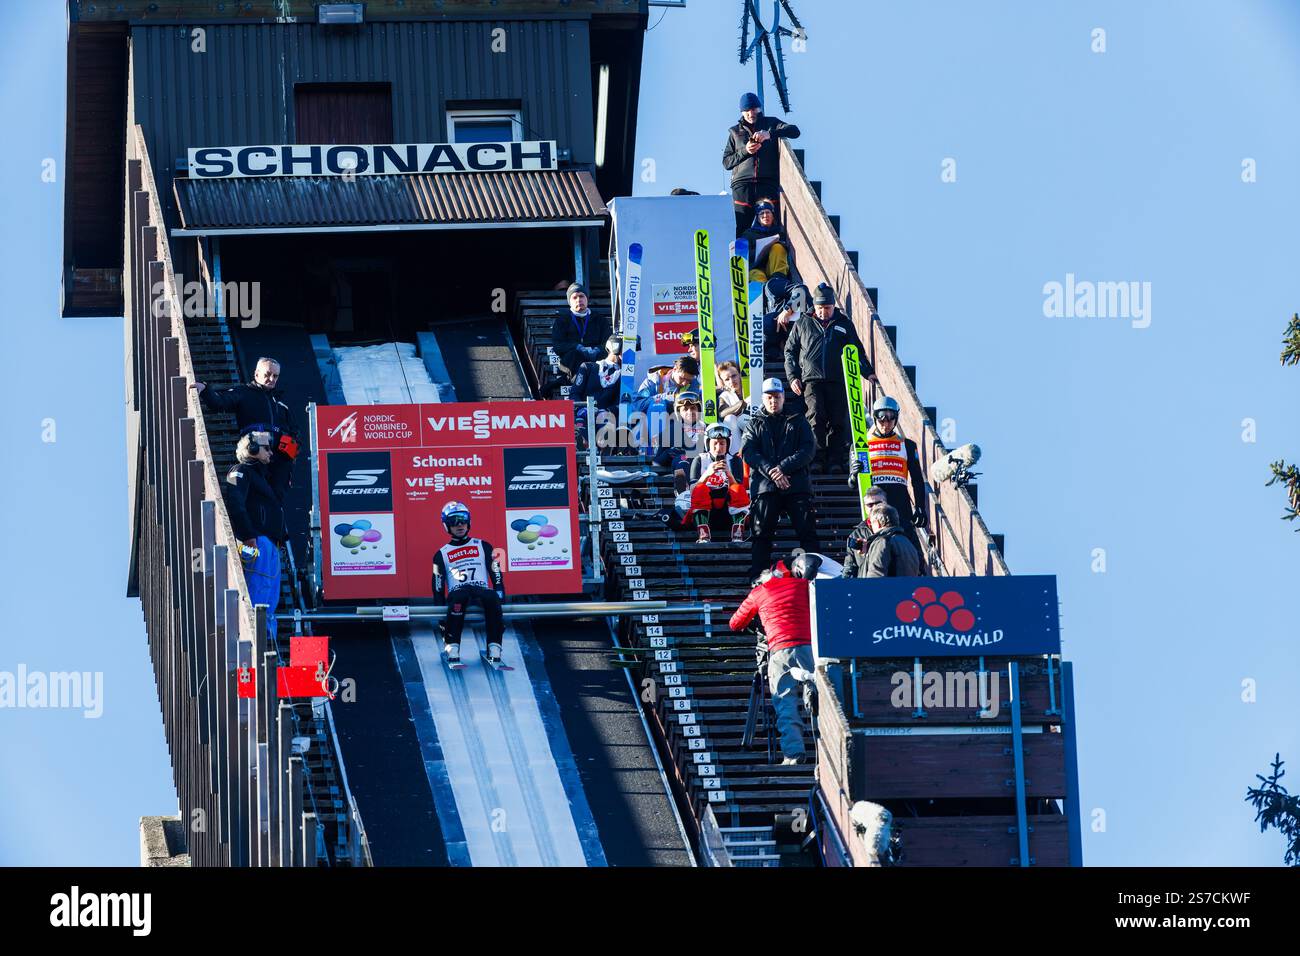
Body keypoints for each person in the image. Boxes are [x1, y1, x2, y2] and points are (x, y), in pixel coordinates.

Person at [728, 555, 819, 764]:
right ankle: (826, 751)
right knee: (819, 699)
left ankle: (794, 753)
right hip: (809, 648)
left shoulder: (759, 592)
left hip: (779, 650)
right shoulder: (804, 585)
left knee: (785, 701)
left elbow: (735, 623)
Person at [785, 282, 875, 473]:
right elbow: (790, 351)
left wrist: (867, 372)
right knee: (816, 416)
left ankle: (835, 460)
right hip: (812, 379)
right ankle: (816, 458)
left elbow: (857, 351)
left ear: (833, 305)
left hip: (838, 379)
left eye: (827, 308)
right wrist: (793, 376)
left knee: (837, 421)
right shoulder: (803, 323)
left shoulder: (844, 324)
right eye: (820, 308)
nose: (823, 312)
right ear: (814, 307)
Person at [741, 378, 819, 581]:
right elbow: (749, 452)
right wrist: (773, 472)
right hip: (765, 487)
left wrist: (781, 469)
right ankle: (758, 578)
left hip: (796, 484)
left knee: (807, 533)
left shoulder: (798, 419)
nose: (773, 401)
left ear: (783, 397)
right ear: (763, 399)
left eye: (776, 397)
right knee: (761, 534)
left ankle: (817, 576)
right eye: (769, 397)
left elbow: (808, 449)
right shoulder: (754, 422)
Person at [194, 357, 300, 496]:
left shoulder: (280, 403)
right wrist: (205, 388)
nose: (272, 378)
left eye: (275, 376)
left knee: (276, 501)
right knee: (254, 498)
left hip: (279, 459)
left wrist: (292, 448)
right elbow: (218, 403)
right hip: (254, 453)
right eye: (267, 374)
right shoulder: (243, 392)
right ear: (256, 374)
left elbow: (295, 432)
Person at [222, 431, 286, 642]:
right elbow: (235, 504)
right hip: (255, 542)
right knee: (258, 590)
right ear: (251, 449)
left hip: (269, 546)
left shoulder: (262, 478)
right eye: (266, 447)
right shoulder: (240, 471)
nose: (270, 451)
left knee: (269, 597)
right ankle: (254, 637)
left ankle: (268, 642)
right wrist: (249, 536)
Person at [849, 394, 929, 559]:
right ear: (875, 417)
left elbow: (917, 480)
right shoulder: (861, 446)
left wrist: (921, 506)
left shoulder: (907, 445)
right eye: (881, 419)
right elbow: (852, 484)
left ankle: (917, 570)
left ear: (896, 419)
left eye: (891, 420)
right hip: (875, 503)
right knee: (876, 548)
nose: (886, 424)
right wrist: (854, 474)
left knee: (909, 546)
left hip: (900, 503)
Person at [431, 502, 507, 666]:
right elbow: (438, 584)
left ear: (469, 521)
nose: (459, 524)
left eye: (463, 519)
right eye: (453, 521)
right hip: (459, 591)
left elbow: (495, 570)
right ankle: (452, 647)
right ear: (446, 525)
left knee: (492, 597)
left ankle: (494, 648)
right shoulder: (441, 554)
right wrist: (439, 611)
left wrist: (500, 592)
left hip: (480, 589)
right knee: (459, 596)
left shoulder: (483, 545)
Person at [723, 92, 801, 235]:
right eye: (747, 110)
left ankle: (770, 253)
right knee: (742, 225)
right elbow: (727, 162)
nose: (750, 113)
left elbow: (795, 131)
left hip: (767, 182)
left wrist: (769, 134)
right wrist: (746, 151)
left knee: (770, 225)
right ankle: (742, 254)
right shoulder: (735, 132)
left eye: (753, 109)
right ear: (742, 112)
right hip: (743, 184)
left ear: (759, 109)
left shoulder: (770, 123)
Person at [676, 422, 750, 544]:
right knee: (700, 489)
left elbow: (740, 490)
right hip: (706, 512)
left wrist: (729, 474)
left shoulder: (735, 460)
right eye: (714, 443)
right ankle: (703, 534)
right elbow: (693, 490)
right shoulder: (699, 459)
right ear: (707, 443)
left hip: (728, 512)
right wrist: (707, 474)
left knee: (737, 489)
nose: (718, 448)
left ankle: (738, 532)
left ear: (728, 444)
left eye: (722, 443)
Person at [551, 283, 612, 381]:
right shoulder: (562, 321)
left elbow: (608, 342)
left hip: (596, 358)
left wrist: (597, 350)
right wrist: (576, 347)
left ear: (587, 299)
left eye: (581, 296)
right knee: (573, 355)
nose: (579, 300)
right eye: (574, 297)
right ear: (569, 302)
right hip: (573, 361)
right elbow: (558, 346)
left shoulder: (600, 320)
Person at [842, 503, 921, 578]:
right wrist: (868, 555)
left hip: (887, 591)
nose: (871, 527)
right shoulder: (906, 541)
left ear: (877, 523)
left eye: (871, 523)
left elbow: (875, 578)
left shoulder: (882, 542)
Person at [741, 199, 792, 299]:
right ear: (757, 218)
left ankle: (778, 282)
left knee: (778, 247)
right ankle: (762, 298)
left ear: (773, 215)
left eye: (768, 212)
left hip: (773, 268)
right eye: (762, 213)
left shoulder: (778, 233)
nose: (765, 215)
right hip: (756, 268)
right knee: (757, 276)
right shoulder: (749, 234)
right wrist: (759, 251)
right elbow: (743, 255)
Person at [632, 355, 701, 415]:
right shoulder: (653, 381)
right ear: (674, 369)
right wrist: (666, 397)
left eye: (689, 380)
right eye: (682, 378)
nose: (684, 383)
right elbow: (638, 405)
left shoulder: (693, 383)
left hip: (681, 425)